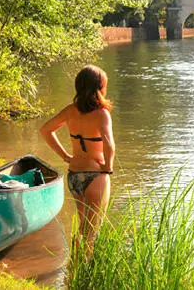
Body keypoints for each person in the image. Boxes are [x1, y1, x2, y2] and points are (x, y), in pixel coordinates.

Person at [40, 64, 115, 258]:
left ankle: (73, 271)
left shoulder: (70, 111)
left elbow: (46, 130)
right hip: (95, 176)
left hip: (74, 176)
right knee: (91, 231)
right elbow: (109, 144)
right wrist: (108, 167)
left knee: (82, 226)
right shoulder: (101, 113)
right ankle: (84, 274)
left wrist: (65, 156)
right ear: (99, 87)